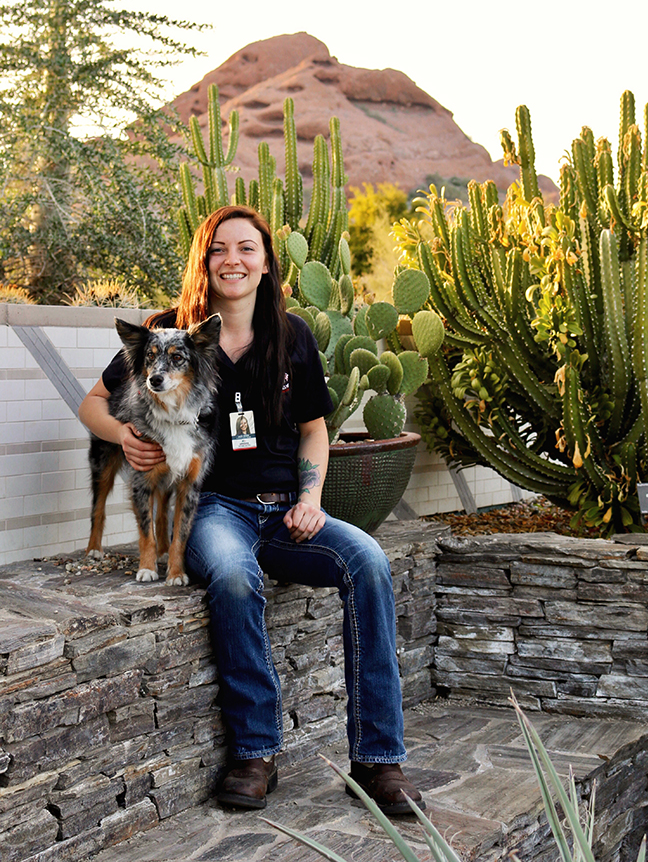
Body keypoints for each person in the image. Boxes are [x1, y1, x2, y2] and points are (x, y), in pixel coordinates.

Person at [78, 206, 424, 815]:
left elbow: (315, 431)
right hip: (213, 510)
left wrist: (312, 500)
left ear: (266, 262)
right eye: (219, 249)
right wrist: (124, 435)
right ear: (204, 262)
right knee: (235, 577)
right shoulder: (168, 332)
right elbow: (94, 403)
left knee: (367, 560)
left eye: (246, 249)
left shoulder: (292, 337)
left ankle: (378, 760)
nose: (232, 260)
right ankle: (256, 751)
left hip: (289, 511)